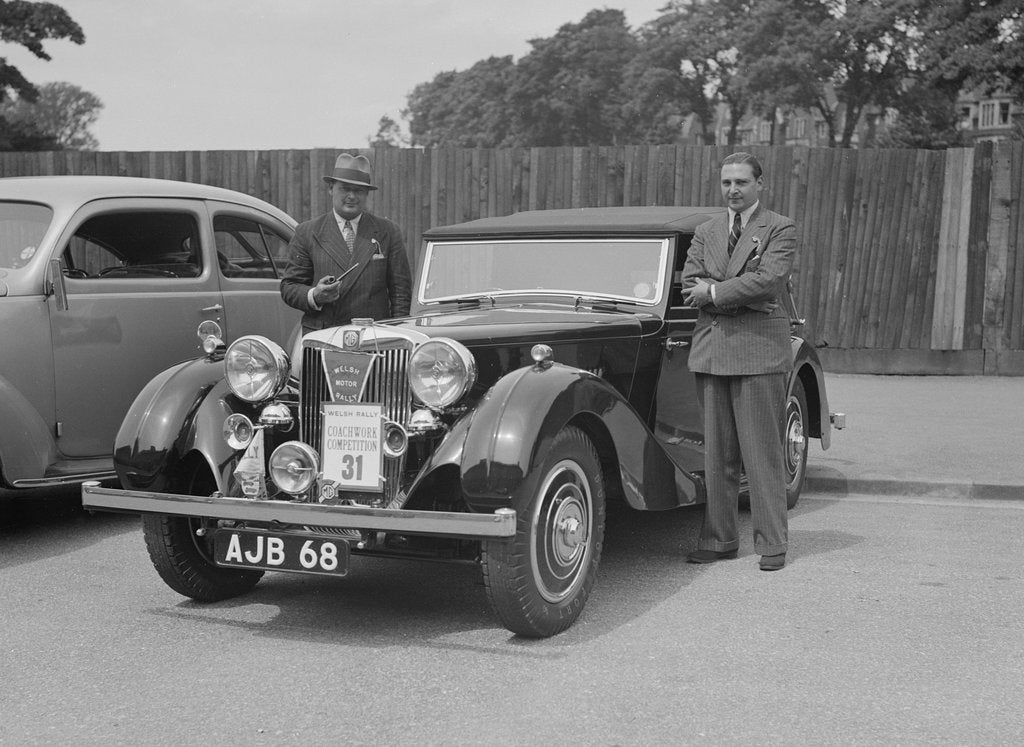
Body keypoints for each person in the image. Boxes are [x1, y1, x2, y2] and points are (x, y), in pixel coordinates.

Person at [681, 152, 797, 571]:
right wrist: (734, 293)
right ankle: (720, 538)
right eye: (727, 182)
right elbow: (687, 282)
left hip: (757, 352)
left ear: (759, 185)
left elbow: (768, 282)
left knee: (761, 453)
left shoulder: (779, 227)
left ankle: (772, 544)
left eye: (742, 183)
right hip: (713, 350)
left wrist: (714, 294)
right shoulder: (706, 230)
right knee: (718, 455)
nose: (733, 190)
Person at [281, 153, 412, 334]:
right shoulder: (307, 232)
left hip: (373, 337)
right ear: (331, 189)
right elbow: (289, 287)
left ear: (367, 194)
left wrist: (397, 334)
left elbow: (401, 293)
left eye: (358, 190)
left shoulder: (387, 231)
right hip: (323, 336)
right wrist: (315, 295)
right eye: (344, 189)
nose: (351, 196)